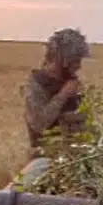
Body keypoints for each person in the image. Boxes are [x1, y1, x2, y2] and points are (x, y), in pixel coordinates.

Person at [23, 27, 90, 158]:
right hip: (47, 158)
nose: (79, 66)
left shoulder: (71, 82)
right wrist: (63, 95)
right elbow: (39, 124)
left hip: (77, 156)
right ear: (61, 60)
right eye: (75, 61)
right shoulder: (38, 85)